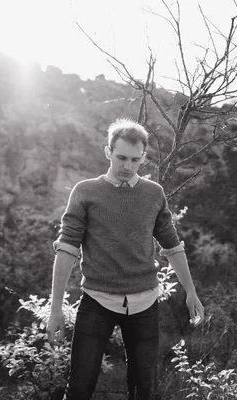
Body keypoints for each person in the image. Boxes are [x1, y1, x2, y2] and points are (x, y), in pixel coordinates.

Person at [46, 118, 205, 400]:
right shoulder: (85, 191)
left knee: (143, 388)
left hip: (144, 304)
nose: (127, 166)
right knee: (80, 386)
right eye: (121, 157)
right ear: (108, 152)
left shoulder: (153, 193)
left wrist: (191, 293)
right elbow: (67, 248)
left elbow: (172, 245)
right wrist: (56, 308)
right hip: (96, 301)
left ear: (143, 157)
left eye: (135, 159)